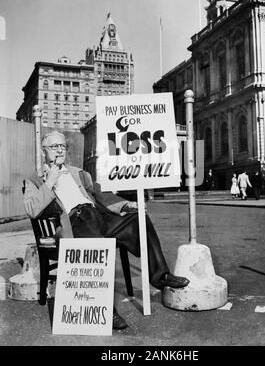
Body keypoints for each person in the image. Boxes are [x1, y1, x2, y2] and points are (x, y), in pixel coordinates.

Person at [23, 131, 189, 330]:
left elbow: (102, 195)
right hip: (73, 223)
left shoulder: (79, 173)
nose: (59, 150)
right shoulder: (35, 179)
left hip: (98, 216)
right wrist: (50, 181)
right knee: (92, 232)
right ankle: (106, 310)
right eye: (54, 147)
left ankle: (160, 276)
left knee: (138, 219)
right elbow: (32, 210)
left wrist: (127, 205)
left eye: (62, 146)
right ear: (44, 151)